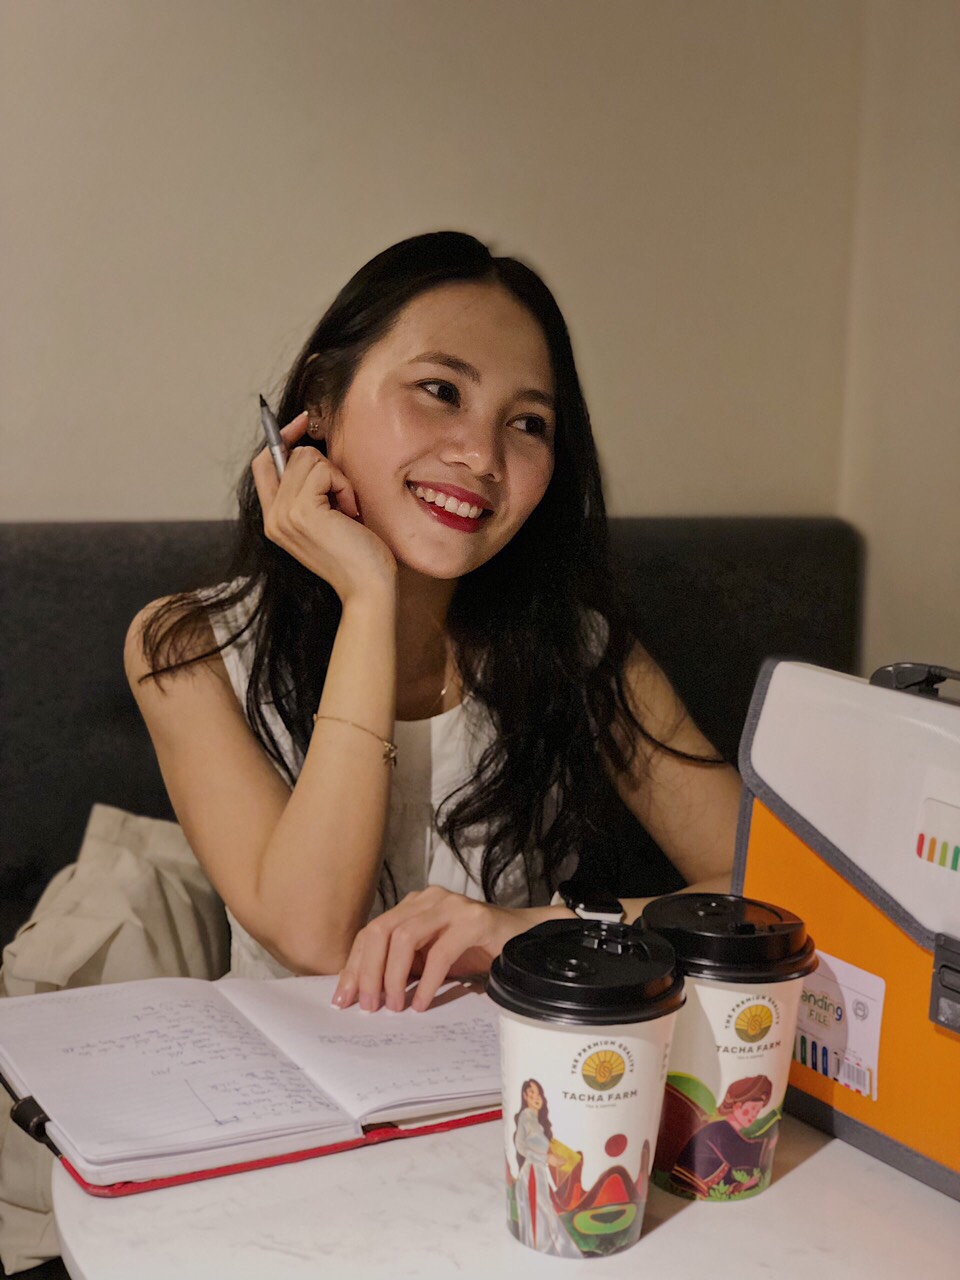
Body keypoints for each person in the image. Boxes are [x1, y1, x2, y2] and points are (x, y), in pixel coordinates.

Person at [125, 230, 741, 1010]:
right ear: (321, 401)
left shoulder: (579, 650)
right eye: (441, 391)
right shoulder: (187, 648)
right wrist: (368, 596)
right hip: (286, 1073)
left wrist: (528, 930)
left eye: (528, 424)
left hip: (515, 1061)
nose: (482, 456)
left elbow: (777, 889)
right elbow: (314, 938)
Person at [671, 1075, 777, 1197]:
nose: (754, 1115)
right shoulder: (721, 1129)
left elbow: (721, 1169)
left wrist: (738, 1186)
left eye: (757, 1111)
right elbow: (741, 1153)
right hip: (688, 1182)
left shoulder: (725, 1129)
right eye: (753, 1108)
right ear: (737, 1106)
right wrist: (768, 1145)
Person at [511, 1078, 579, 1256]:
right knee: (539, 1217)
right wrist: (546, 1158)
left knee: (544, 1215)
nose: (536, 1097)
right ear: (524, 1096)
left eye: (538, 1093)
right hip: (531, 1174)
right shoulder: (526, 1117)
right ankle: (537, 1256)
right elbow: (520, 1146)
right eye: (531, 1093)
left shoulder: (537, 1121)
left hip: (539, 1173)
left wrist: (555, 1158)